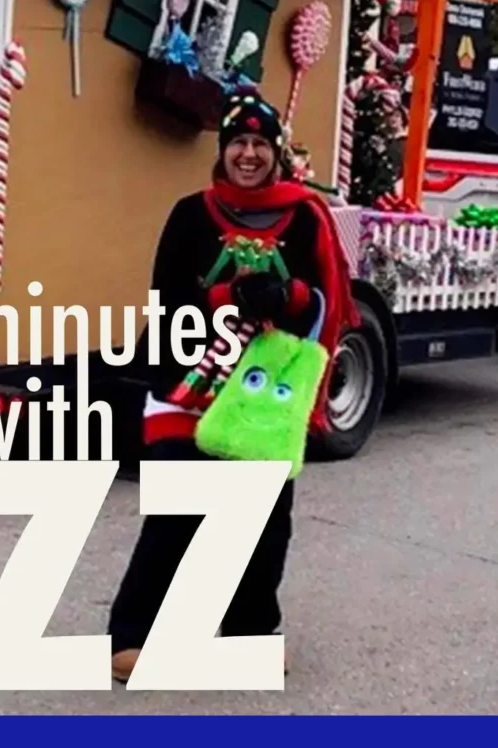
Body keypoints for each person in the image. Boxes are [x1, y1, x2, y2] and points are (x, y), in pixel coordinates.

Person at [108, 90, 359, 683]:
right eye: (238, 143)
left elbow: (329, 304)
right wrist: (227, 297)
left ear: (277, 153)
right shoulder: (190, 213)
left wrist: (289, 297)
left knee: (265, 517)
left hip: (262, 393)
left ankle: (249, 629)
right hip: (187, 384)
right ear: (223, 151)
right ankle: (133, 634)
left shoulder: (305, 217)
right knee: (175, 511)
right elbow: (166, 300)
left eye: (259, 144)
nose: (248, 154)